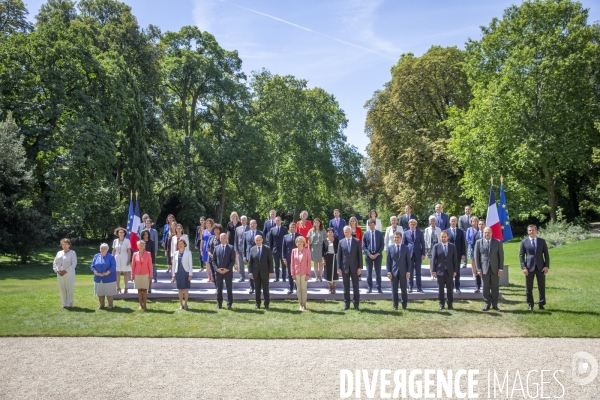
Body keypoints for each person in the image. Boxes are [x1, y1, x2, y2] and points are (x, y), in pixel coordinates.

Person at [519, 225, 550, 311]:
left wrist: (546, 266)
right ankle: (530, 304)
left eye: (533, 230)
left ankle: (541, 303)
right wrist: (524, 267)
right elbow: (521, 256)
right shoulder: (524, 242)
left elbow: (546, 255)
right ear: (527, 231)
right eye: (529, 231)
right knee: (529, 287)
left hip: (541, 267)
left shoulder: (542, 241)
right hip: (529, 268)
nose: (531, 232)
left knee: (541, 286)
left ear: (536, 231)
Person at [474, 227, 504, 311]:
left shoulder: (497, 242)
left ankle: (495, 304)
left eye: (488, 232)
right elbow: (476, 257)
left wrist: (500, 269)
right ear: (483, 233)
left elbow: (501, 256)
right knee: (485, 287)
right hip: (484, 269)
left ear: (491, 233)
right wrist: (478, 269)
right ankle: (487, 303)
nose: (487, 234)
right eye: (485, 232)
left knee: (495, 287)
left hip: (495, 269)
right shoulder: (479, 242)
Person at [337, 226, 363, 310]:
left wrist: (360, 267)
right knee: (346, 287)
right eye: (344, 232)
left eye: (347, 231)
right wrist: (339, 268)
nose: (346, 233)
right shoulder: (341, 242)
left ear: (351, 232)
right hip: (345, 268)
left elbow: (360, 256)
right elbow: (339, 256)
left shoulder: (356, 241)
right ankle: (346, 304)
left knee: (356, 287)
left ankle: (356, 304)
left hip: (355, 268)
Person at [431, 231, 458, 310]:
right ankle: (441, 304)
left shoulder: (452, 246)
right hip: (440, 271)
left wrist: (455, 270)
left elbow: (455, 259)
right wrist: (433, 271)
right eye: (442, 237)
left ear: (447, 237)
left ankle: (450, 304)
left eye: (445, 236)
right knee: (440, 289)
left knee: (450, 289)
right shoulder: (436, 246)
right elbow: (433, 259)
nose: (443, 238)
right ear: (440, 237)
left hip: (449, 271)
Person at [247, 235, 274, 309]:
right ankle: (257, 303)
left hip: (265, 272)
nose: (258, 241)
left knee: (265, 289)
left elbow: (270, 261)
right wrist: (250, 272)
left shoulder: (267, 249)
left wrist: (271, 271)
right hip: (256, 273)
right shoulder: (252, 249)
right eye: (257, 240)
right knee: (257, 289)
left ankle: (266, 304)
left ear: (262, 240)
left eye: (259, 240)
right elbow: (250, 262)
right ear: (254, 241)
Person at [386, 232, 410, 310]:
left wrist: (408, 272)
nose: (396, 239)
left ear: (401, 238)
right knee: (394, 290)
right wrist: (389, 272)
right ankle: (395, 305)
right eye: (395, 237)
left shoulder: (406, 248)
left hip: (403, 272)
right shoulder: (390, 248)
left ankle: (404, 305)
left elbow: (408, 261)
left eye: (398, 237)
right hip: (393, 272)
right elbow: (388, 261)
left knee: (404, 290)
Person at [212, 233, 236, 310]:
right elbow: (213, 260)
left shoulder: (231, 248)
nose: (223, 239)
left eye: (224, 238)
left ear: (226, 239)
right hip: (218, 272)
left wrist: (227, 269)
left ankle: (229, 304)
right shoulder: (216, 248)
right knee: (219, 289)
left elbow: (233, 260)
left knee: (229, 288)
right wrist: (216, 269)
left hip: (228, 271)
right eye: (221, 238)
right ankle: (219, 304)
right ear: (219, 239)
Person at [402, 219, 426, 293]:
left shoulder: (420, 232)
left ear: (416, 225)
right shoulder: (405, 233)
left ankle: (419, 287)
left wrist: (423, 254)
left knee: (418, 271)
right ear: (409, 225)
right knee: (410, 271)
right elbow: (404, 245)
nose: (412, 225)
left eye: (414, 224)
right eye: (411, 224)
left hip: (418, 254)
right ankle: (410, 286)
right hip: (409, 254)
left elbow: (423, 244)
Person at [91, 243, 117, 309]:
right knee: (100, 292)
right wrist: (96, 273)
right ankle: (101, 305)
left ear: (107, 249)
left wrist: (106, 273)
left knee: (109, 292)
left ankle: (110, 305)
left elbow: (113, 266)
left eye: (104, 248)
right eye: (101, 248)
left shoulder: (111, 257)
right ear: (100, 249)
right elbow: (92, 266)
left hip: (109, 278)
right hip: (98, 278)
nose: (103, 249)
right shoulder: (96, 256)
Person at [53, 238, 77, 308]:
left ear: (69, 245)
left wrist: (66, 271)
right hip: (60, 274)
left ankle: (69, 304)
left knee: (69, 289)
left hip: (69, 274)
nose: (64, 246)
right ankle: (64, 303)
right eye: (63, 244)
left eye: (66, 244)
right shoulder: (59, 253)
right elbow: (55, 262)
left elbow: (74, 264)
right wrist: (57, 270)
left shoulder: (72, 253)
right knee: (62, 288)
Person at [362, 218, 384, 294]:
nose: (371, 226)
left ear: (375, 225)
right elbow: (364, 246)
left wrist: (378, 253)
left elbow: (382, 245)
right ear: (368, 225)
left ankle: (379, 288)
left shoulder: (379, 233)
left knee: (378, 273)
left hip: (378, 255)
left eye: (372, 224)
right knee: (369, 273)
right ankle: (369, 288)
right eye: (370, 225)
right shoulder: (365, 234)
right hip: (369, 256)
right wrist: (369, 254)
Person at [291, 236, 312, 311]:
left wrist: (308, 274)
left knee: (303, 289)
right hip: (296, 272)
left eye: (301, 241)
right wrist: (292, 273)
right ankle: (300, 304)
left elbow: (309, 263)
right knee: (298, 289)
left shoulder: (307, 251)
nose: (299, 243)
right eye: (298, 242)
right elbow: (292, 263)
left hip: (304, 272)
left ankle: (304, 304)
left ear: (304, 243)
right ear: (296, 243)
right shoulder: (294, 251)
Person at [446, 216, 466, 294]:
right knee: (449, 271)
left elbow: (463, 243)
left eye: (454, 221)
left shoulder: (460, 231)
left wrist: (463, 253)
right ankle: (450, 287)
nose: (453, 222)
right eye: (452, 221)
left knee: (457, 271)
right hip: (449, 254)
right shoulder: (446, 231)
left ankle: (457, 287)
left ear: (456, 222)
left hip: (458, 254)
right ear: (449, 222)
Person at [131, 240, 153, 310]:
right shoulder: (135, 254)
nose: (141, 246)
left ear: (144, 246)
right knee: (139, 290)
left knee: (145, 290)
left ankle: (145, 305)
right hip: (137, 274)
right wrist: (132, 275)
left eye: (142, 245)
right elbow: (133, 266)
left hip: (145, 274)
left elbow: (150, 265)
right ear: (137, 246)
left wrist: (150, 275)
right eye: (139, 245)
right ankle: (140, 305)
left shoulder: (148, 254)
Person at [171, 239, 193, 310]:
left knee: (186, 289)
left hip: (186, 272)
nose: (180, 245)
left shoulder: (188, 252)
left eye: (181, 243)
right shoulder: (175, 253)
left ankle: (186, 304)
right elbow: (174, 265)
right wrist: (173, 275)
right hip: (178, 272)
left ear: (184, 244)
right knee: (180, 289)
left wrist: (190, 274)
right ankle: (181, 304)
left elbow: (190, 264)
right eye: (179, 244)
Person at [282, 222, 303, 295]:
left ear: (295, 228)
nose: (292, 228)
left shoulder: (299, 236)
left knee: (297, 273)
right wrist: (284, 258)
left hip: (298, 258)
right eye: (290, 227)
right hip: (288, 258)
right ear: (289, 228)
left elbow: (302, 247)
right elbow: (283, 248)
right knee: (290, 273)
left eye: (293, 227)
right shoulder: (285, 237)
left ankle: (298, 288)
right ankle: (290, 288)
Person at [243, 220, 263, 294]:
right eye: (251, 224)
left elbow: (264, 245)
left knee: (259, 272)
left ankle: (259, 287)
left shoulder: (260, 233)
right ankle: (251, 287)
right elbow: (244, 246)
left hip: (259, 255)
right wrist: (244, 256)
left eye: (253, 224)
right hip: (249, 256)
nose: (252, 225)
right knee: (250, 272)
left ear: (256, 225)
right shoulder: (246, 233)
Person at [267, 216, 288, 282]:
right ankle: (277, 277)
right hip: (275, 250)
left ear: (281, 221)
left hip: (283, 249)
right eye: (276, 220)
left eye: (279, 220)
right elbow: (270, 240)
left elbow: (286, 239)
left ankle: (284, 277)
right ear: (274, 221)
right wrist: (270, 249)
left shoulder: (284, 229)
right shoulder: (272, 229)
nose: (277, 221)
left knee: (283, 264)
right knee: (276, 265)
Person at [112, 227, 131, 294]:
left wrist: (129, 258)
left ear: (124, 233)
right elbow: (114, 250)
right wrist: (112, 258)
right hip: (117, 257)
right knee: (117, 273)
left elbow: (129, 250)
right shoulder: (115, 241)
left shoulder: (127, 240)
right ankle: (118, 287)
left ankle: (126, 288)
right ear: (117, 233)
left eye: (122, 232)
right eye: (120, 232)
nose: (121, 234)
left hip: (125, 256)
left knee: (125, 273)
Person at [471, 219, 486, 293]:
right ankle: (477, 287)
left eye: (482, 224)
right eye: (479, 224)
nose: (481, 226)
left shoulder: (487, 234)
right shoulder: (475, 234)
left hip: (486, 257)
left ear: (485, 225)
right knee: (478, 272)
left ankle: (486, 287)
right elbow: (473, 245)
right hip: (478, 256)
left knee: (486, 272)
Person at [322, 228, 339, 294]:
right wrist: (323, 260)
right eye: (329, 232)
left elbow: (339, 250)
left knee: (335, 273)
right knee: (328, 273)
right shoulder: (324, 241)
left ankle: (334, 288)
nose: (330, 233)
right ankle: (330, 288)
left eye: (331, 232)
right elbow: (322, 252)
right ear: (327, 233)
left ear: (333, 233)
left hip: (335, 257)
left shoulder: (336, 240)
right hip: (327, 257)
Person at [142, 218, 159, 284]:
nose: (148, 224)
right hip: (144, 250)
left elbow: (156, 241)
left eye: (149, 223)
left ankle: (154, 277)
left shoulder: (154, 231)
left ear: (151, 224)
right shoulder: (143, 231)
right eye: (146, 223)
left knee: (153, 264)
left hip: (152, 250)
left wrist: (155, 250)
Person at [234, 215, 250, 282]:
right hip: (240, 249)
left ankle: (250, 276)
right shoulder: (237, 229)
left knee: (249, 264)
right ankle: (242, 277)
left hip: (248, 250)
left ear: (246, 221)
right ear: (240, 221)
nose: (243, 221)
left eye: (244, 220)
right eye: (242, 220)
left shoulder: (249, 228)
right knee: (241, 264)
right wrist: (236, 249)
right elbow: (236, 240)